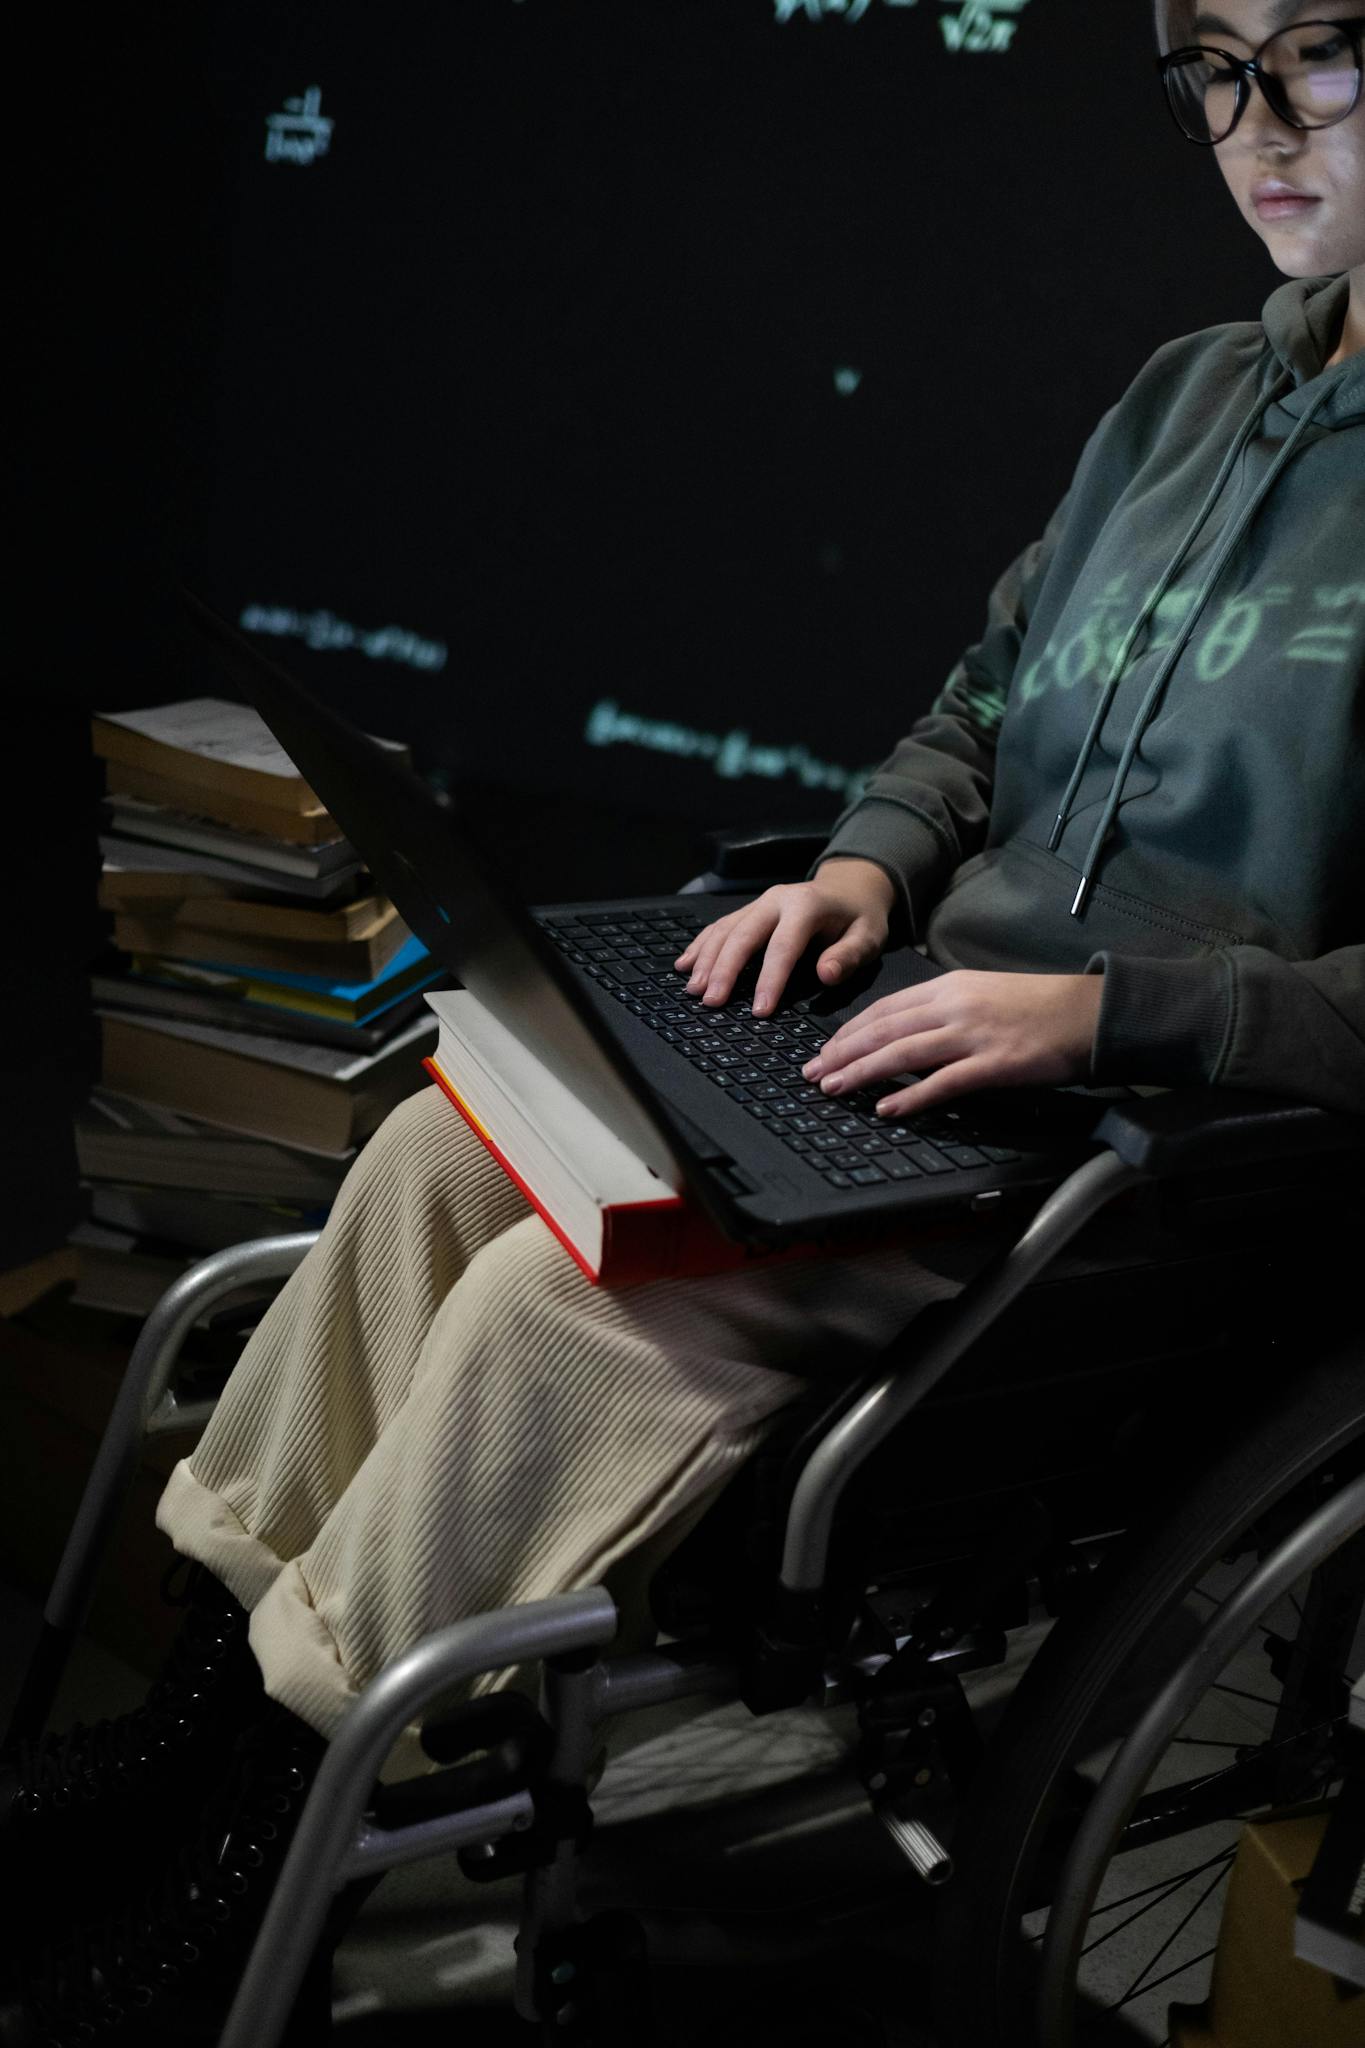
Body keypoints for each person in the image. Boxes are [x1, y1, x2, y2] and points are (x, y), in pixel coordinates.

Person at [3, 1, 1362, 2039]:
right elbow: (982, 695)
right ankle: (199, 1723)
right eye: (1212, 68)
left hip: (1136, 1166)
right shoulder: (1175, 399)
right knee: (432, 1155)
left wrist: (1103, 1011)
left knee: (555, 1319)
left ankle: (252, 1842)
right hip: (908, 1043)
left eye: (1317, 56)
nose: (1247, 127)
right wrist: (868, 863)